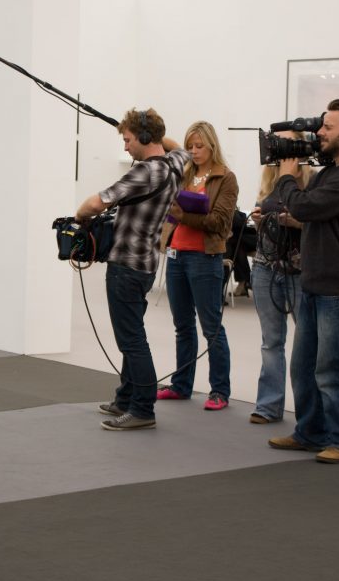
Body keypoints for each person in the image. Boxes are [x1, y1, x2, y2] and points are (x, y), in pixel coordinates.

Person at [267, 99, 339, 464]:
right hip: (316, 283)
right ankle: (311, 432)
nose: (320, 133)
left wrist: (286, 176)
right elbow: (312, 214)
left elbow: (304, 206)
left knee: (336, 369)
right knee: (305, 367)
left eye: (328, 127)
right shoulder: (330, 173)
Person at [76, 108, 188, 431]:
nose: (125, 147)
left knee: (132, 341)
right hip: (146, 265)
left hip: (126, 267)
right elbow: (177, 146)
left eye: (128, 140)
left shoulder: (145, 172)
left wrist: (79, 216)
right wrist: (144, 130)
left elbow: (97, 203)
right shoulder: (175, 165)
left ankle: (142, 409)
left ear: (144, 137)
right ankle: (125, 398)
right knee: (132, 333)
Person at [156, 121, 238, 410]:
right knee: (183, 326)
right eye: (190, 146)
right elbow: (165, 144)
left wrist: (184, 216)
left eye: (199, 145)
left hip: (205, 257)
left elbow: (220, 222)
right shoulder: (185, 174)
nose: (193, 151)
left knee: (211, 327)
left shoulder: (225, 178)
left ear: (212, 146)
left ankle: (220, 391)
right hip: (176, 256)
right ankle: (181, 385)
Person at [248, 140, 314, 425]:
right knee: (271, 341)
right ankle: (268, 406)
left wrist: (298, 223)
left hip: (301, 271)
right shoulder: (269, 180)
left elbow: (321, 224)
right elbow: (263, 218)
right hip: (266, 267)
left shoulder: (314, 182)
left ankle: (309, 413)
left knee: (306, 344)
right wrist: (258, 220)